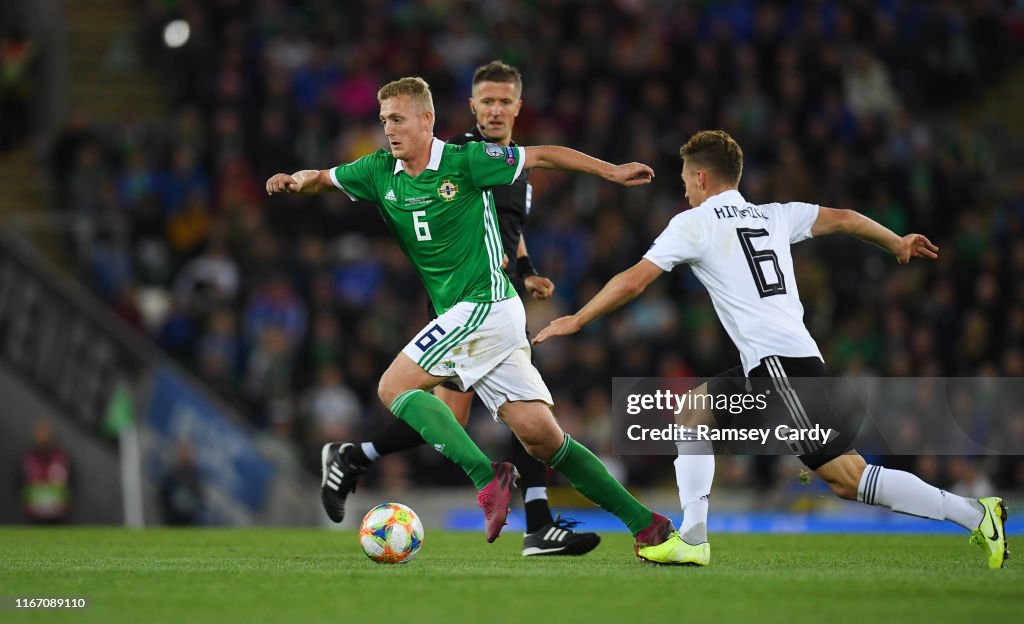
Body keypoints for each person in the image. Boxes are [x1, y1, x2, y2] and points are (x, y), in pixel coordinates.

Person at [534, 129, 1008, 569]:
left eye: (685, 181)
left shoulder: (694, 223)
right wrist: (895, 243)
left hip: (780, 365)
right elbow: (844, 219)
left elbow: (635, 280)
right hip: (780, 361)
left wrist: (578, 318)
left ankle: (972, 513)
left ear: (701, 177)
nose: (683, 191)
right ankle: (693, 537)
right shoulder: (774, 214)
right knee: (693, 413)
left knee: (849, 478)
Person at [265, 76, 673, 553]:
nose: (389, 130)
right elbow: (324, 178)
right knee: (543, 438)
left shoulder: (465, 161)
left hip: (485, 305)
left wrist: (611, 172)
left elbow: (539, 155)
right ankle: (649, 526)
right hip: (479, 318)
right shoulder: (378, 170)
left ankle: (488, 476)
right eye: (384, 121)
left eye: (398, 119)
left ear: (426, 119)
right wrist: (296, 181)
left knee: (393, 387)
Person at [319, 61, 599, 557]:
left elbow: (506, 225)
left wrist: (528, 265)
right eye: (485, 101)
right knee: (461, 414)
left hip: (499, 290)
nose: (494, 110)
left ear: (518, 106)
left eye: (503, 101)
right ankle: (534, 521)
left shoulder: (513, 169)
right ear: (472, 106)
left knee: (465, 416)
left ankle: (357, 457)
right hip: (468, 300)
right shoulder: (463, 155)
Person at [19, 421, 72, 524]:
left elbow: (73, 484)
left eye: (45, 439)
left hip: (59, 514)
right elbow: (18, 484)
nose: (43, 442)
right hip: (33, 514)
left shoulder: (63, 459)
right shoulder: (26, 460)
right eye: (40, 439)